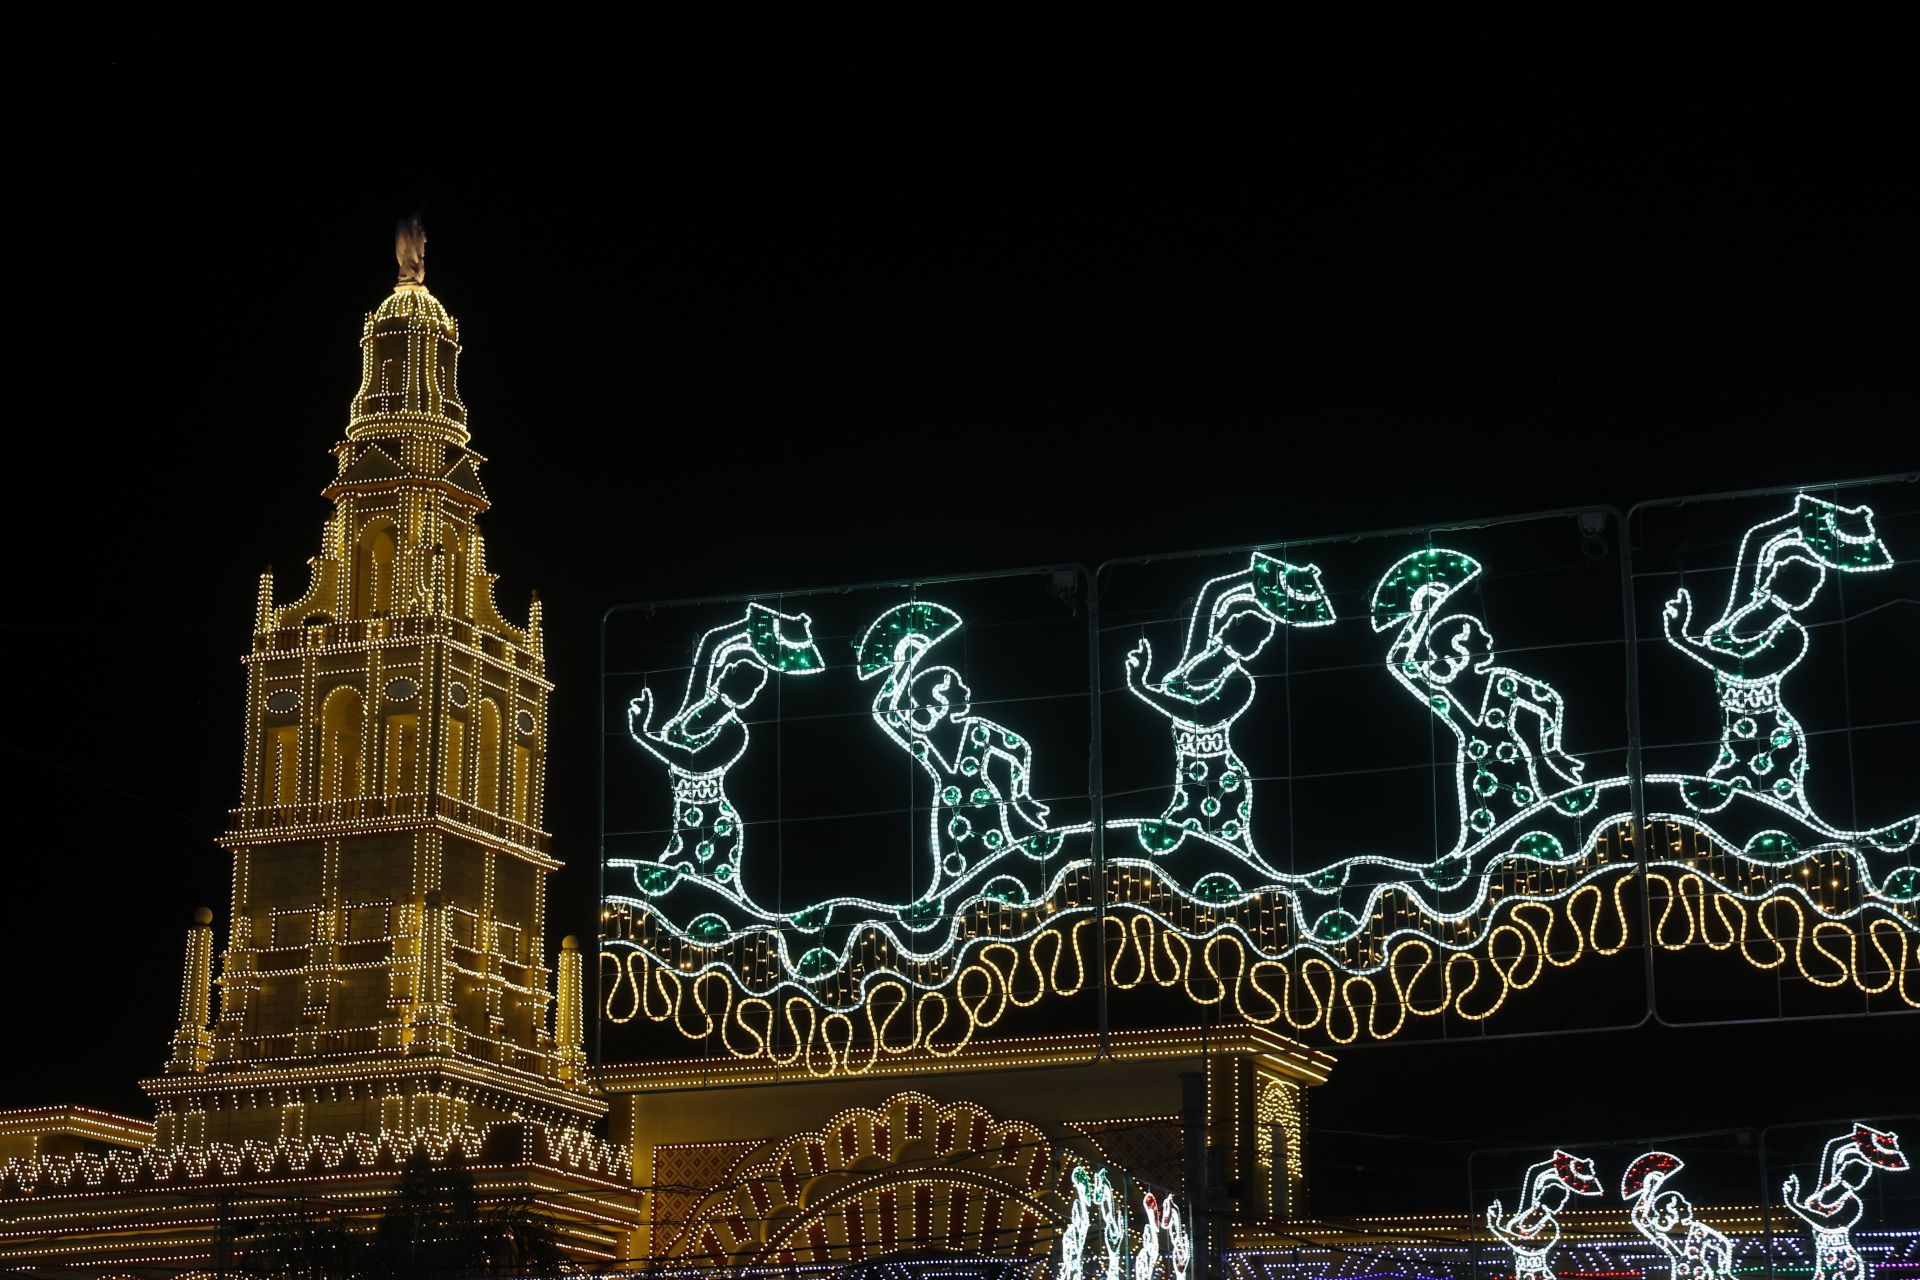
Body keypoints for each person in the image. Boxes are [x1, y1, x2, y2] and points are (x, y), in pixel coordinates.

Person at [1663, 495, 1891, 812]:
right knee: (1725, 804)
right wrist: (1801, 519)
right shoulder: (1744, 607)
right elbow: (1756, 542)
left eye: (1781, 568)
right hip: (1734, 729)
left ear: (1795, 588)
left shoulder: (1791, 636)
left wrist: (1681, 637)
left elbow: (1742, 667)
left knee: (1767, 810)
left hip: (1770, 736)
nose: (1773, 567)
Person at [1124, 552, 1331, 857]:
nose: (1226, 618)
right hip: (1188, 776)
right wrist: (1258, 578)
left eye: (1234, 619)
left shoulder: (1240, 683)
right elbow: (1212, 594)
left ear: (1241, 638)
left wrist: (1141, 686)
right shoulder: (1195, 656)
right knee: (1179, 851)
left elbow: (1199, 715)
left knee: (1223, 854)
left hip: (1222, 781)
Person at [626, 604, 823, 902]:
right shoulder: (695, 705)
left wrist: (643, 733)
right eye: (727, 667)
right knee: (673, 886)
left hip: (714, 821)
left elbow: (692, 763)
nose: (723, 670)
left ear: (743, 691)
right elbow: (710, 646)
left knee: (713, 891)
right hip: (683, 815)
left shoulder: (733, 732)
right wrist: (752, 625)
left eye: (731, 671)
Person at [1783, 1123, 1908, 1280]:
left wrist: (1792, 1202)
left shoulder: (1852, 1203)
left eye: (1846, 1169)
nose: (1840, 1169)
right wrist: (1856, 1140)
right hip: (1823, 1256)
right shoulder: (1825, 1190)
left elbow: (1824, 1222)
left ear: (1856, 1179)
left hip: (1843, 1259)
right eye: (1843, 1167)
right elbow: (1832, 1149)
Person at [1486, 1150, 1603, 1280]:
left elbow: (1518, 1243)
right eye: (1542, 1191)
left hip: (1540, 1274)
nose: (1540, 1193)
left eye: (1544, 1192)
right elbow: (1515, 1236)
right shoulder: (1528, 1214)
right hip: (1524, 1273)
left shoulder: (1549, 1225)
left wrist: (1494, 1224)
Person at [1623, 1152, 1736, 1280]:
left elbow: (1723, 1244)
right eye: (1678, 1205)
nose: (1687, 1205)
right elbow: (1639, 1218)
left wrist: (1723, 1271)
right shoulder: (1664, 1237)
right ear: (1666, 1215)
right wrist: (1649, 1189)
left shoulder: (1696, 1231)